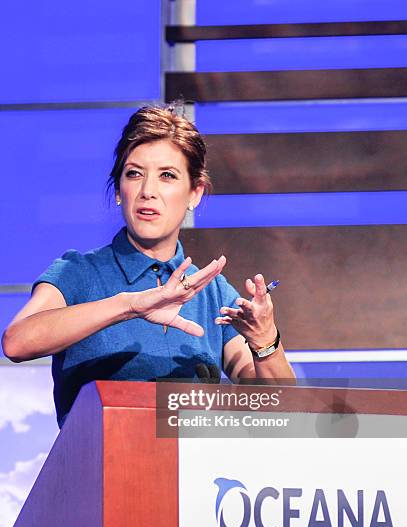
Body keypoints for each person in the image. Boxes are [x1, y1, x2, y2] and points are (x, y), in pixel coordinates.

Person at [1, 104, 295, 427]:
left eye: (167, 176)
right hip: (98, 469)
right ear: (118, 191)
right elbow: (17, 341)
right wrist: (130, 306)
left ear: (194, 193)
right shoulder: (78, 272)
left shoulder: (211, 291)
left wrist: (265, 338)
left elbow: (278, 408)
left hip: (194, 472)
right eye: (134, 174)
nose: (148, 192)